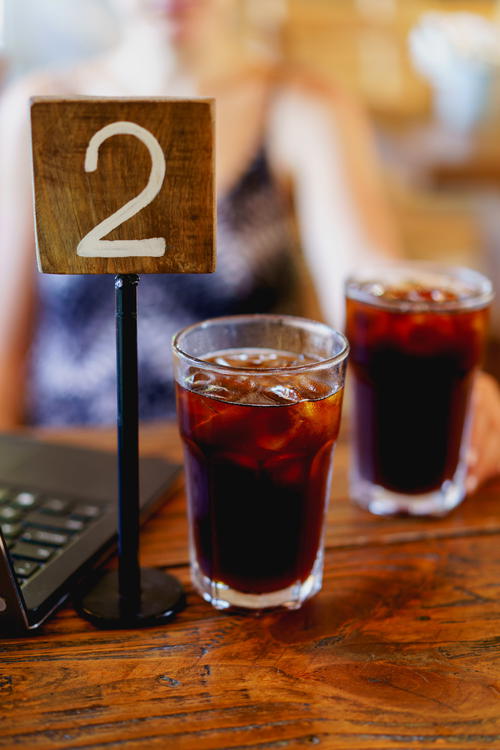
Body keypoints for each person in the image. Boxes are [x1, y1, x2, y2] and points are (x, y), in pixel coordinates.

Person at [0, 0, 498, 490]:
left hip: (244, 469)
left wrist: (427, 362)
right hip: (68, 471)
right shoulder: (37, 110)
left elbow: (367, 278)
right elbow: (4, 350)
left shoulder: (300, 104)